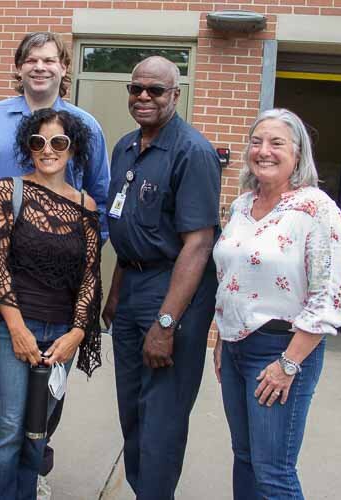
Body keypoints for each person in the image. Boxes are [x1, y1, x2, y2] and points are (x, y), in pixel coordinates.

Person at [0, 31, 109, 500]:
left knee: (37, 426)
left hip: (59, 312)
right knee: (4, 418)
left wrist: (77, 328)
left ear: (64, 67)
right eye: (32, 59)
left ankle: (25, 485)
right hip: (2, 301)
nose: (50, 150)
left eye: (50, 59)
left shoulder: (86, 132)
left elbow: (91, 264)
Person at [212, 108, 341, 500]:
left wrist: (288, 365)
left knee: (273, 472)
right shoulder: (241, 206)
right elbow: (230, 279)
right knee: (245, 458)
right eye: (256, 142)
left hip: (282, 351)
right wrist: (223, 338)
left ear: (297, 153)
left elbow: (328, 297)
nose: (264, 151)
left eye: (276, 143)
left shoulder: (315, 209)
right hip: (237, 348)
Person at [102, 56, 221, 500]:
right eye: (136, 89)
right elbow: (126, 227)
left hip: (172, 291)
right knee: (132, 408)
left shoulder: (193, 152)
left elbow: (198, 245)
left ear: (175, 95)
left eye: (155, 90)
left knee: (162, 417)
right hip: (132, 286)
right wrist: (115, 294)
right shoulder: (126, 147)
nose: (144, 97)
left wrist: (166, 323)